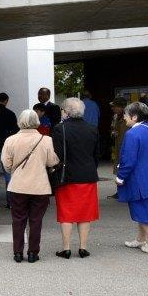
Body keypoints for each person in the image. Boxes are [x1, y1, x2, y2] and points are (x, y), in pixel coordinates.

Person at [2, 109, 60, 263]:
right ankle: (33, 253)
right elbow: (52, 162)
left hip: (17, 186)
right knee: (36, 220)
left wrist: (15, 170)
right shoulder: (46, 140)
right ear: (37, 122)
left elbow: (6, 165)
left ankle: (17, 253)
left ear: (20, 121)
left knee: (18, 220)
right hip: (40, 186)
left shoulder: (10, 140)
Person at [51, 98, 100, 259]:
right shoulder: (92, 129)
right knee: (85, 213)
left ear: (65, 112)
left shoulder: (59, 129)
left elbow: (57, 155)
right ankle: (83, 248)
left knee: (66, 212)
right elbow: (96, 155)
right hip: (87, 175)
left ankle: (66, 249)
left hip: (66, 176)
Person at [118, 102, 148, 256]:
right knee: (146, 209)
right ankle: (140, 239)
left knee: (141, 211)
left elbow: (128, 160)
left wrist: (120, 176)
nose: (124, 117)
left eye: (126, 115)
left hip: (138, 179)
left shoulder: (132, 134)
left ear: (134, 117)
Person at [0, 93, 19, 206]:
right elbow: (15, 131)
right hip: (6, 146)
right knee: (8, 174)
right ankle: (10, 202)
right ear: (6, 101)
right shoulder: (10, 114)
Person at [108, 97, 129, 199]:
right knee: (119, 169)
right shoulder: (116, 117)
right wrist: (113, 132)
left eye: (115, 106)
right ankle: (120, 191)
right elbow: (113, 128)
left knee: (125, 169)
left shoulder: (128, 117)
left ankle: (126, 191)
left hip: (126, 147)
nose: (113, 108)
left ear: (122, 107)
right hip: (118, 146)